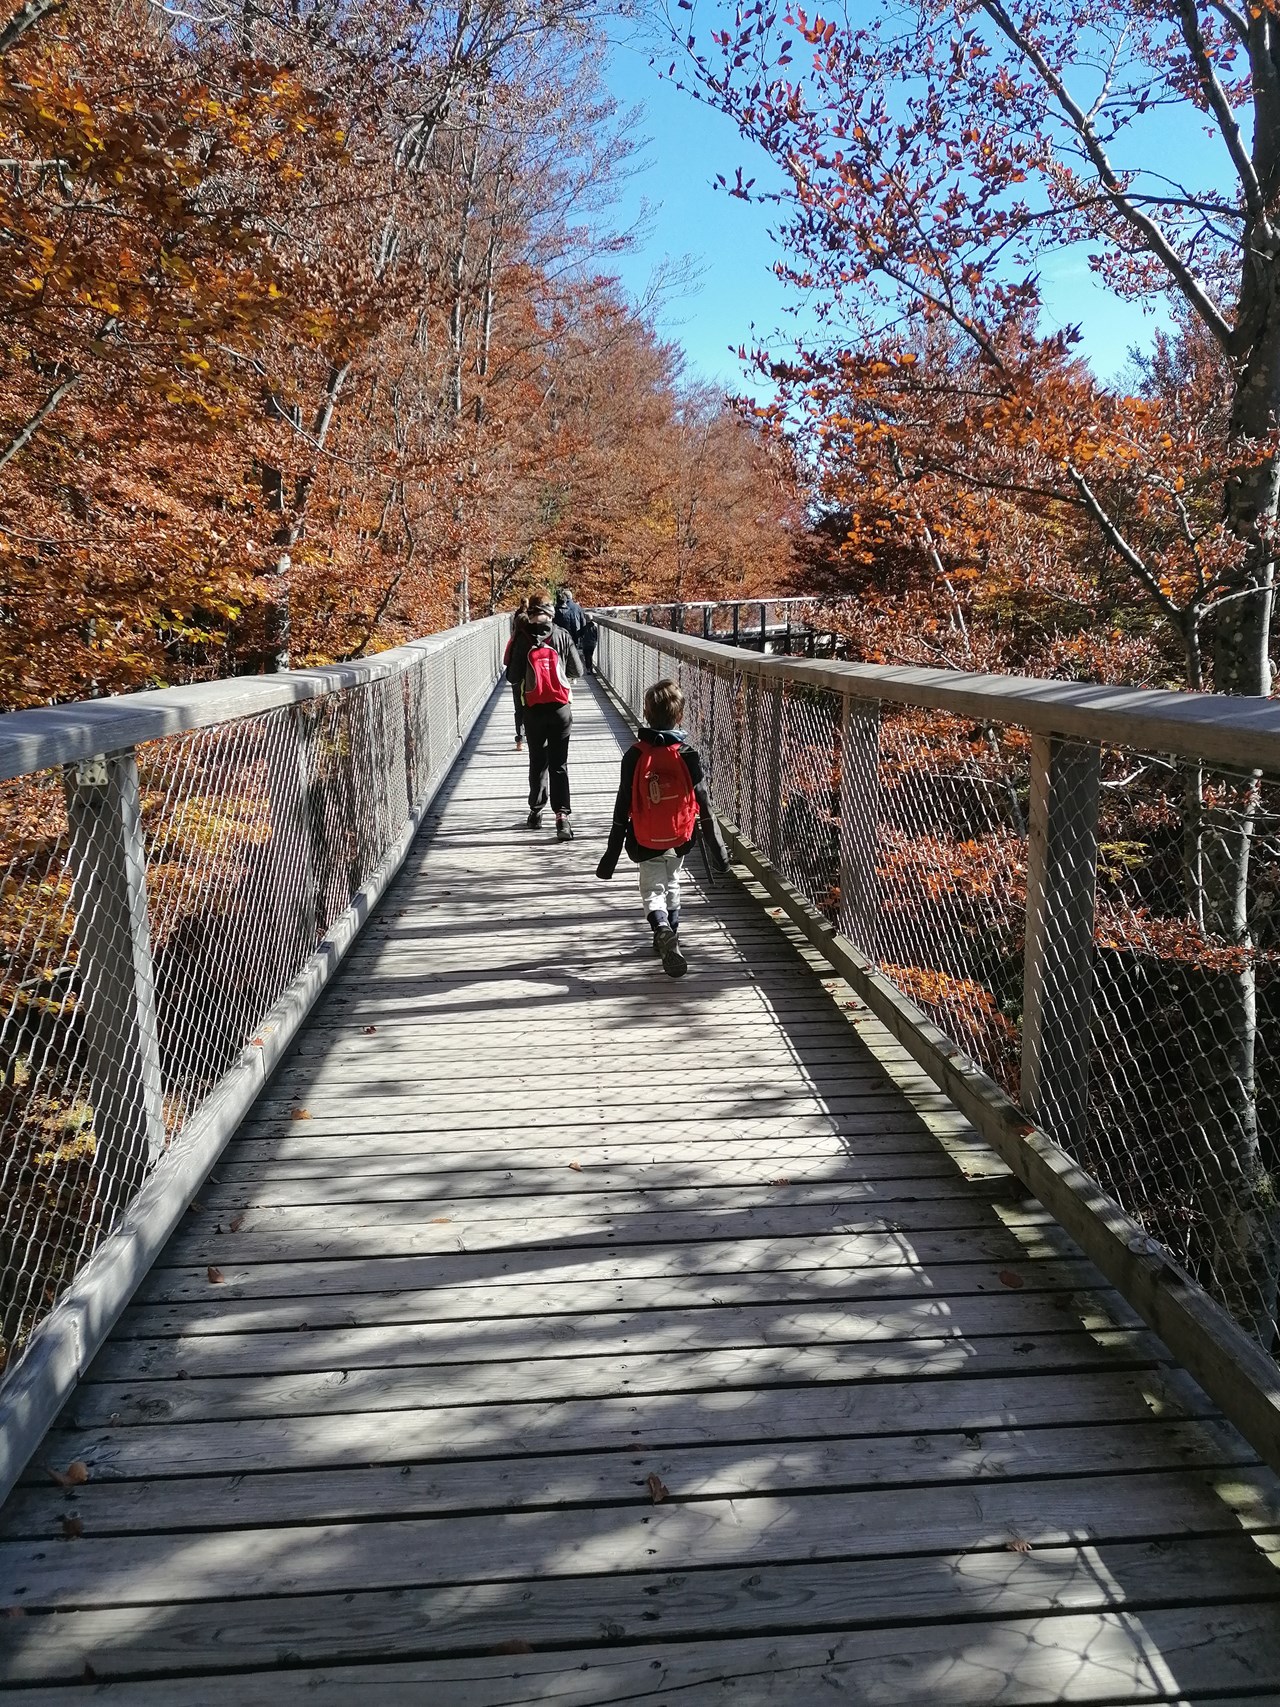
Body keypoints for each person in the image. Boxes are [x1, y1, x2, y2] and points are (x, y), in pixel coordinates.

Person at [595, 677, 729, 976]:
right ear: (679, 716)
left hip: (644, 839)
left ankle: (661, 929)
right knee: (673, 881)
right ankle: (672, 932)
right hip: (680, 837)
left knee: (651, 888)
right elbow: (703, 801)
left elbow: (622, 805)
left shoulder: (635, 755)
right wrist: (718, 849)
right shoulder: (688, 754)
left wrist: (610, 855)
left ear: (646, 713)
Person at [506, 594, 583, 840]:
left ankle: (536, 812)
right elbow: (577, 671)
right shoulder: (561, 635)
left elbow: (512, 676)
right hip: (560, 709)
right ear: (551, 612)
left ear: (530, 613)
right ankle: (562, 818)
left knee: (538, 760)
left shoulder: (523, 638)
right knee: (559, 763)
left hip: (533, 709)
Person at [503, 599, 529, 750]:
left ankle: (519, 739)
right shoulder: (531, 641)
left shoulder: (513, 641)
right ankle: (530, 735)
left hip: (516, 679)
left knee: (518, 708)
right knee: (529, 707)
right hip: (529, 679)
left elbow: (507, 660)